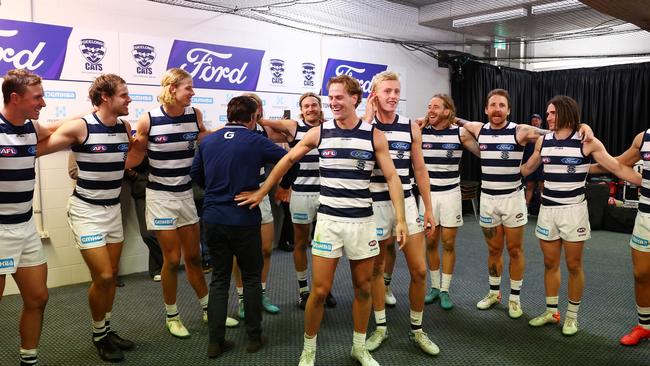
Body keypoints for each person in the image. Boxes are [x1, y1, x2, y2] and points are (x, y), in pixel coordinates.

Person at [237, 74, 407, 366]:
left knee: (364, 287)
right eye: (331, 97)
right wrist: (264, 190)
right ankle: (309, 349)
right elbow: (286, 161)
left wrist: (401, 219)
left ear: (355, 98)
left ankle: (358, 347)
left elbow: (392, 177)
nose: (334, 102)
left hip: (362, 223)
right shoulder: (319, 132)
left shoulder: (373, 135)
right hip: (329, 223)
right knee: (319, 290)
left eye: (339, 97)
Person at [459, 89, 593, 319]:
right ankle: (494, 293)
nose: (497, 109)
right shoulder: (479, 129)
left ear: (508, 110)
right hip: (488, 199)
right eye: (492, 105)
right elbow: (461, 125)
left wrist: (580, 127)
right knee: (493, 249)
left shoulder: (520, 131)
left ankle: (514, 298)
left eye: (502, 105)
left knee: (515, 249)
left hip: (512, 198)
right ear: (486, 109)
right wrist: (481, 150)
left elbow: (548, 131)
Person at [521, 95, 641, 336]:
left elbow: (615, 167)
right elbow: (526, 169)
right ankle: (552, 311)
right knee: (549, 263)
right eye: (548, 113)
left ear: (565, 113)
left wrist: (643, 181)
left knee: (574, 265)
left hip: (574, 211)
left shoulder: (587, 142)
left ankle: (572, 317)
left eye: (552, 113)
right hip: (547, 210)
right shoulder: (543, 142)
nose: (548, 117)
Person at [190, 95, 298, 358]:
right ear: (252, 118)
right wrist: (275, 188)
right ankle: (254, 337)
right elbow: (292, 159)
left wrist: (217, 192)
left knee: (218, 280)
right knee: (251, 279)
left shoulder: (209, 140)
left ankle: (215, 343)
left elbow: (195, 175)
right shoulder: (256, 140)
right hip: (244, 219)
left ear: (229, 115)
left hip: (214, 218)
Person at [37, 74, 135, 362]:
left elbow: (129, 158)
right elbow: (40, 146)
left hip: (113, 210)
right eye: (124, 94)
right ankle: (98, 334)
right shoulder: (81, 127)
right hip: (85, 211)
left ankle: (106, 329)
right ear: (105, 97)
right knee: (103, 275)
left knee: (111, 276)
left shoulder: (124, 127)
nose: (129, 99)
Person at [126, 68, 209, 338]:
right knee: (172, 260)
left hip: (185, 194)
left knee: (194, 257)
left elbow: (205, 139)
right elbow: (134, 157)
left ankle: (209, 309)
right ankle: (172, 315)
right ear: (173, 89)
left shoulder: (194, 115)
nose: (193, 93)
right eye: (188, 88)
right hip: (160, 197)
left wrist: (234, 135)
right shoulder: (148, 119)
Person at [361, 71, 438, 355]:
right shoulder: (363, 127)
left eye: (396, 91)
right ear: (375, 95)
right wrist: (367, 118)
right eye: (387, 91)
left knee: (419, 270)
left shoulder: (410, 127)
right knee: (377, 269)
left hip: (406, 202)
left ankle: (417, 330)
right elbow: (356, 152)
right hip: (375, 205)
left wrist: (428, 208)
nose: (393, 96)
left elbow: (419, 170)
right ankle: (380, 327)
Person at [258, 92, 337, 309]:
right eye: (306, 106)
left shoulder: (330, 127)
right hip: (300, 194)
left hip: (327, 194)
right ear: (301, 110)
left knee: (327, 246)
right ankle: (303, 290)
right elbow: (265, 122)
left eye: (314, 105)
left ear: (320, 107)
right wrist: (258, 116)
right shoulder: (294, 127)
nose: (310, 109)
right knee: (301, 243)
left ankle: (325, 289)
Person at [0, 69, 56, 366]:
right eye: (37, 98)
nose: (43, 103)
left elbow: (56, 130)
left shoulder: (32, 128)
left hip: (26, 227)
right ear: (15, 98)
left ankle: (29, 360)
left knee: (38, 298)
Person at [420, 94, 480, 310]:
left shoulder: (460, 133)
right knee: (430, 242)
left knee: (448, 243)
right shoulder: (421, 131)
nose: (430, 110)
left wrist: (465, 123)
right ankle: (434, 287)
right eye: (429, 107)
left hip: (450, 194)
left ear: (447, 111)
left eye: (436, 107)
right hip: (428, 196)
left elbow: (484, 152)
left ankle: (445, 290)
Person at [591, 129, 650, 345]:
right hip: (646, 217)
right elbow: (617, 165)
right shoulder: (643, 138)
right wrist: (582, 167)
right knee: (641, 274)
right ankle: (644, 326)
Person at [233, 93, 282, 319]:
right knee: (239, 254)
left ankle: (261, 294)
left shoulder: (265, 131)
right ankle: (243, 299)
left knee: (265, 250)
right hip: (240, 196)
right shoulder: (231, 132)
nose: (259, 110)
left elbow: (288, 143)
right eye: (256, 107)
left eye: (261, 106)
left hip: (261, 194)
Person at [523, 114, 544, 214]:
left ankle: (543, 209)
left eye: (537, 120)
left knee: (542, 187)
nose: (535, 122)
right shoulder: (527, 134)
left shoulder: (545, 134)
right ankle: (525, 209)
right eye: (533, 120)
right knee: (529, 185)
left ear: (541, 122)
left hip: (542, 165)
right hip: (529, 164)